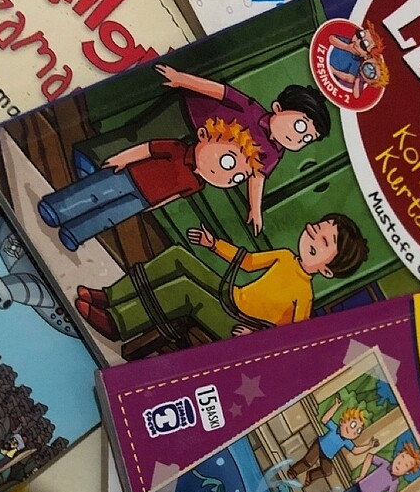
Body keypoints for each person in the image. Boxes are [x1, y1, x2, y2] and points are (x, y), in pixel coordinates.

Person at [73, 213, 369, 342]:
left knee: (186, 290)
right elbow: (248, 262)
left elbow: (289, 340)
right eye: (316, 228)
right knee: (178, 256)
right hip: (231, 296)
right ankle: (110, 296)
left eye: (323, 242)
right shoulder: (285, 257)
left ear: (327, 270)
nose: (312, 235)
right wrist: (213, 244)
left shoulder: (304, 295)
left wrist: (255, 339)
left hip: (238, 326)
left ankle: (119, 322)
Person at [38, 117, 261, 252]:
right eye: (227, 162)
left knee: (108, 218)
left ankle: (75, 233)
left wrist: (154, 206)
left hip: (144, 200)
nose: (225, 176)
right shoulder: (176, 148)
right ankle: (58, 208)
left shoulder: (198, 184)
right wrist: (122, 158)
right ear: (204, 135)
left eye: (236, 178)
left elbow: (175, 196)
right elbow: (147, 149)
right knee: (93, 193)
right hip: (127, 176)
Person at [155, 63, 331, 234]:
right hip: (189, 116)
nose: (299, 138)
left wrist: (255, 209)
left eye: (307, 139)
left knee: (176, 182)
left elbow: (257, 177)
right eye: (300, 126)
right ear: (277, 108)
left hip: (204, 162)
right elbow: (220, 91)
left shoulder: (274, 154)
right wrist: (181, 79)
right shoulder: (250, 109)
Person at [286, 396, 377, 487]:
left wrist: (369, 446)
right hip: (319, 446)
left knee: (327, 471)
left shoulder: (347, 441)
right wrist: (336, 405)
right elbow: (324, 420)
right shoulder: (334, 428)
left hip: (327, 456)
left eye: (358, 431)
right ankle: (293, 471)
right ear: (342, 422)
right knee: (308, 462)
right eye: (353, 425)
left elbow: (355, 450)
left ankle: (311, 475)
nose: (354, 432)